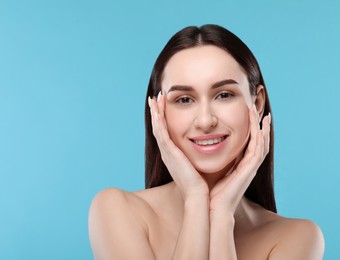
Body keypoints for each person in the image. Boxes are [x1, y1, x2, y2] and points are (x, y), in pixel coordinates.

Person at [88, 24, 325, 259]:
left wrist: (222, 215)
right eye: (183, 99)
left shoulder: (297, 237)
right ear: (157, 111)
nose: (205, 120)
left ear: (257, 103)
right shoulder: (117, 211)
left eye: (224, 95)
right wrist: (195, 199)